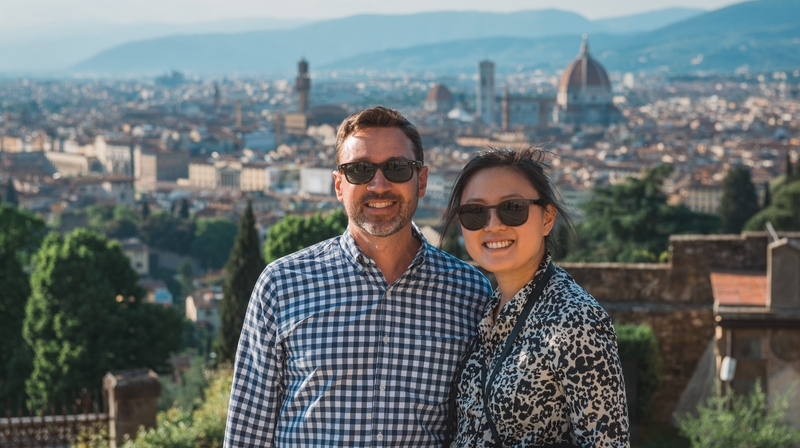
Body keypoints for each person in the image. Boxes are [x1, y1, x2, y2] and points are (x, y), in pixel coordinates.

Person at [224, 106, 492, 448]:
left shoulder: (469, 293)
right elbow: (247, 434)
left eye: (396, 168)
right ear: (339, 185)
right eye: (359, 170)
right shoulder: (282, 285)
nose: (378, 185)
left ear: (421, 180)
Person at [440, 147, 629, 448]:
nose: (493, 225)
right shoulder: (485, 311)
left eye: (512, 208)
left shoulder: (575, 320)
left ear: (547, 217)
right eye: (474, 212)